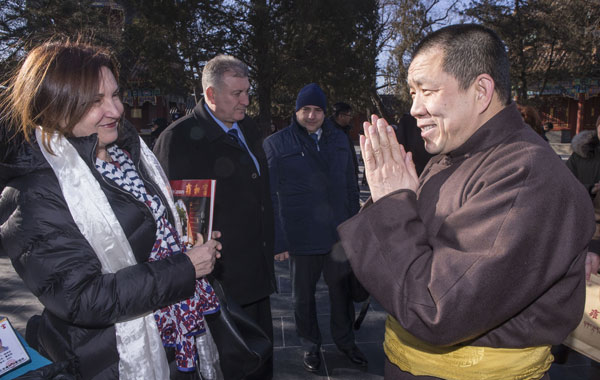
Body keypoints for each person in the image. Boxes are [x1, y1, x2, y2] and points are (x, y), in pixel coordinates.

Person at [336, 24, 597, 380]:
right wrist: (396, 201)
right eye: (412, 92)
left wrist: (391, 202)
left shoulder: (525, 175)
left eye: (426, 91)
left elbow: (435, 308)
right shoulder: (454, 157)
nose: (414, 108)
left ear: (481, 90)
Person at [0, 40, 224, 380]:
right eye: (94, 101)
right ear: (54, 107)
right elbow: (81, 298)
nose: (116, 110)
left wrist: (189, 240)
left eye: (115, 95)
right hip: (111, 359)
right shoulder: (36, 193)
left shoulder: (127, 154)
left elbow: (149, 233)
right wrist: (183, 269)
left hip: (175, 336)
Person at [153, 54, 275, 379]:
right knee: (232, 365)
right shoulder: (177, 139)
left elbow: (261, 191)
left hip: (257, 273)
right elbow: (171, 221)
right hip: (218, 284)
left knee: (262, 359)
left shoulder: (247, 128)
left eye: (248, 92)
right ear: (210, 95)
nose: (246, 101)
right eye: (237, 93)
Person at [263, 83, 365, 372]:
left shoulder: (340, 139)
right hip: (300, 235)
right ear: (296, 111)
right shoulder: (277, 144)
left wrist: (353, 228)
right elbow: (269, 197)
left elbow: (350, 186)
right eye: (305, 110)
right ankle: (310, 345)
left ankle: (346, 342)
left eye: (317, 110)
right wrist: (278, 240)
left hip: (336, 234)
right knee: (303, 297)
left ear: (324, 112)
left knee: (341, 294)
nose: (311, 115)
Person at [330, 102, 359, 178]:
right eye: (349, 115)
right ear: (341, 116)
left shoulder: (344, 131)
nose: (350, 118)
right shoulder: (330, 133)